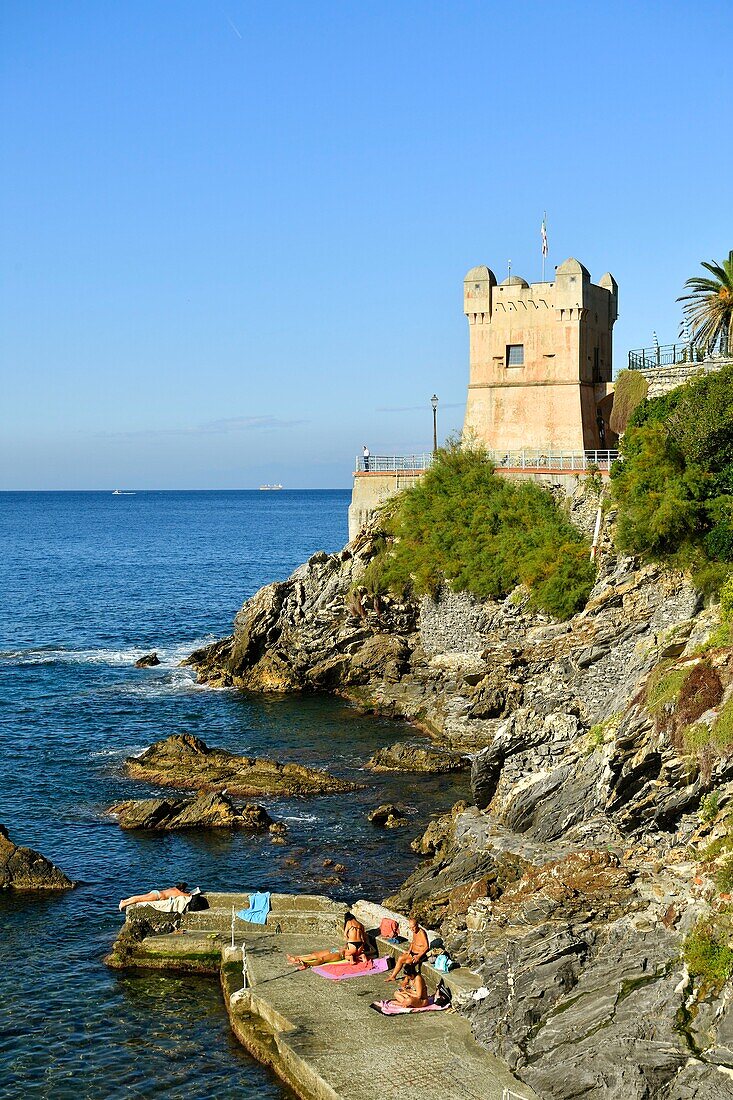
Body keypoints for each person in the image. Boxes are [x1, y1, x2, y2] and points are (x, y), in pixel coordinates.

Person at [286, 911, 372, 969]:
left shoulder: (349, 923)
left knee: (320, 958)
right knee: (316, 955)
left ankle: (303, 962)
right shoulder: (361, 925)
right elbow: (364, 939)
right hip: (356, 947)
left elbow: (345, 936)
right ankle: (297, 958)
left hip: (341, 952)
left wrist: (348, 946)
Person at [385, 916, 429, 982]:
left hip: (420, 954)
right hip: (413, 952)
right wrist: (409, 950)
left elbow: (426, 947)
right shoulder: (414, 931)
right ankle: (393, 976)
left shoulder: (421, 932)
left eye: (413, 927)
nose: (412, 929)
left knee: (408, 963)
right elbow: (413, 942)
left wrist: (418, 956)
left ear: (417, 925)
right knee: (400, 958)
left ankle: (407, 980)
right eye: (410, 928)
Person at [118, 883, 191, 911]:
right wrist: (190, 893)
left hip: (156, 893)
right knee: (139, 899)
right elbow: (188, 895)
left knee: (139, 898)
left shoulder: (174, 889)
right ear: (182, 889)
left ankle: (124, 901)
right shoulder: (178, 892)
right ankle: (124, 903)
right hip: (157, 896)